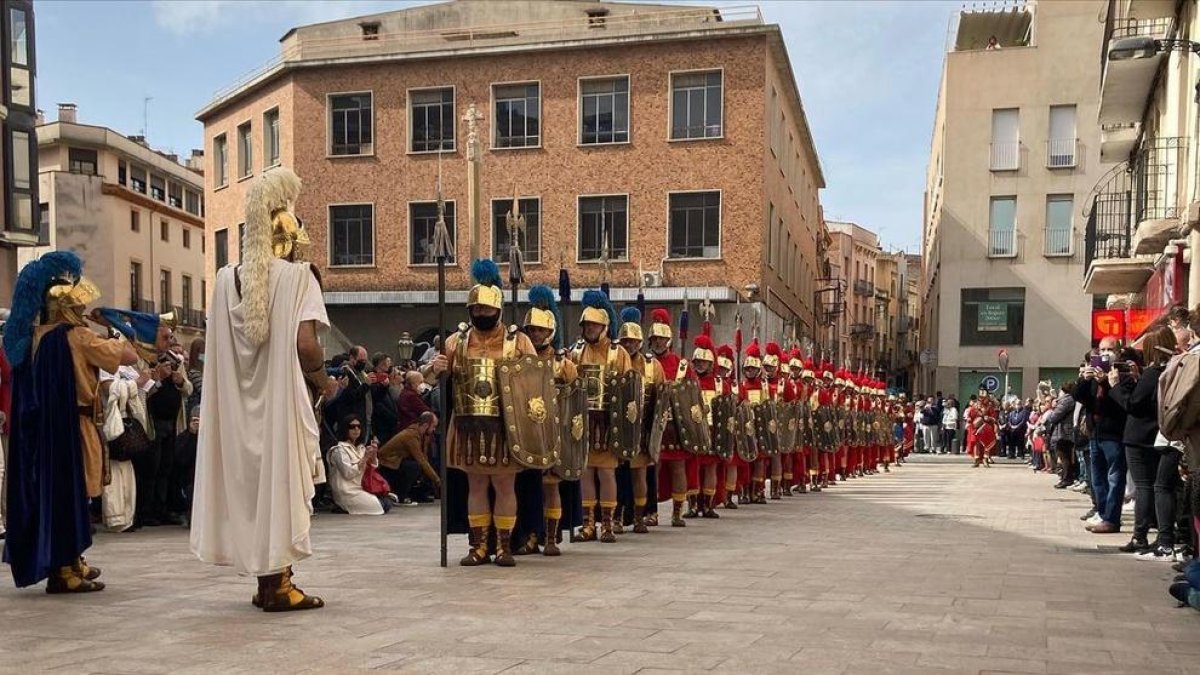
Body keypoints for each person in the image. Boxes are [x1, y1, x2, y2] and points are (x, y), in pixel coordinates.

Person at [191, 167, 330, 611]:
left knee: (252, 489)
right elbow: (306, 346)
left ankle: (267, 582)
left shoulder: (221, 280)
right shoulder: (298, 276)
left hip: (235, 410)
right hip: (279, 401)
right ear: (288, 242)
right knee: (281, 486)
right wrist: (326, 382)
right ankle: (279, 585)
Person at [3, 251, 139, 592]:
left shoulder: (33, 338)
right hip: (72, 428)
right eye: (77, 306)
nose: (81, 310)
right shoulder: (75, 337)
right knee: (71, 494)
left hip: (45, 431)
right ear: (63, 308)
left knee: (58, 493)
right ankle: (64, 569)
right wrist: (113, 328)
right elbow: (129, 356)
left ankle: (70, 559)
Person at [445, 259, 537, 566]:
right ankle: (479, 546)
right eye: (477, 310)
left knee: (504, 484)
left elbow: (535, 379)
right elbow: (439, 378)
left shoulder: (518, 341)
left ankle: (505, 545)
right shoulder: (456, 341)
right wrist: (438, 369)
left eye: (487, 309)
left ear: (498, 309)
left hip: (505, 424)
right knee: (476, 484)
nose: (481, 314)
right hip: (468, 423)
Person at [568, 290, 634, 542]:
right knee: (585, 471)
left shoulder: (619, 354)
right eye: (587, 324)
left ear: (604, 326)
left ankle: (607, 523)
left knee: (606, 473)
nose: (590, 328)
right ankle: (587, 524)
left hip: (609, 421)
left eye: (595, 324)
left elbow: (629, 390)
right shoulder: (576, 352)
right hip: (582, 421)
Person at [1111, 326, 1180, 560]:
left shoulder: (1154, 373)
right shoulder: (1171, 370)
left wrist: (1118, 386)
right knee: (1154, 486)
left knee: (1145, 486)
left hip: (1139, 436)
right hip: (1158, 435)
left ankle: (1141, 535)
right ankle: (1156, 536)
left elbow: (1133, 404)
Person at [1074, 336, 1129, 535]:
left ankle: (1112, 518)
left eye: (1110, 349)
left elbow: (1122, 403)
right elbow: (1080, 397)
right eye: (1102, 349)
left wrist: (1106, 383)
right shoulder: (1095, 373)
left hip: (1114, 433)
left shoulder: (1123, 374)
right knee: (1097, 478)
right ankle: (1103, 512)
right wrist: (1084, 379)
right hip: (1095, 432)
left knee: (1115, 476)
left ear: (1119, 352)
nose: (1105, 353)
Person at [328, 414, 388, 515]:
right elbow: (348, 473)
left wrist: (373, 455)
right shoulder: (338, 450)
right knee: (382, 505)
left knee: (386, 502)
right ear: (345, 429)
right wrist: (364, 458)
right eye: (352, 427)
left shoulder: (361, 448)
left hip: (362, 487)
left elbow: (372, 468)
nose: (356, 429)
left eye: (359, 427)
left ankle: (344, 508)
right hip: (348, 491)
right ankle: (341, 506)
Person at [377, 411, 440, 505]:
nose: (434, 429)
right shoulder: (411, 435)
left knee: (418, 467)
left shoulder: (422, 435)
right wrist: (438, 481)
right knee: (414, 467)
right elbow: (421, 460)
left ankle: (416, 494)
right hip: (386, 466)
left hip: (395, 464)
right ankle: (401, 496)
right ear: (426, 425)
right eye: (433, 426)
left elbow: (424, 458)